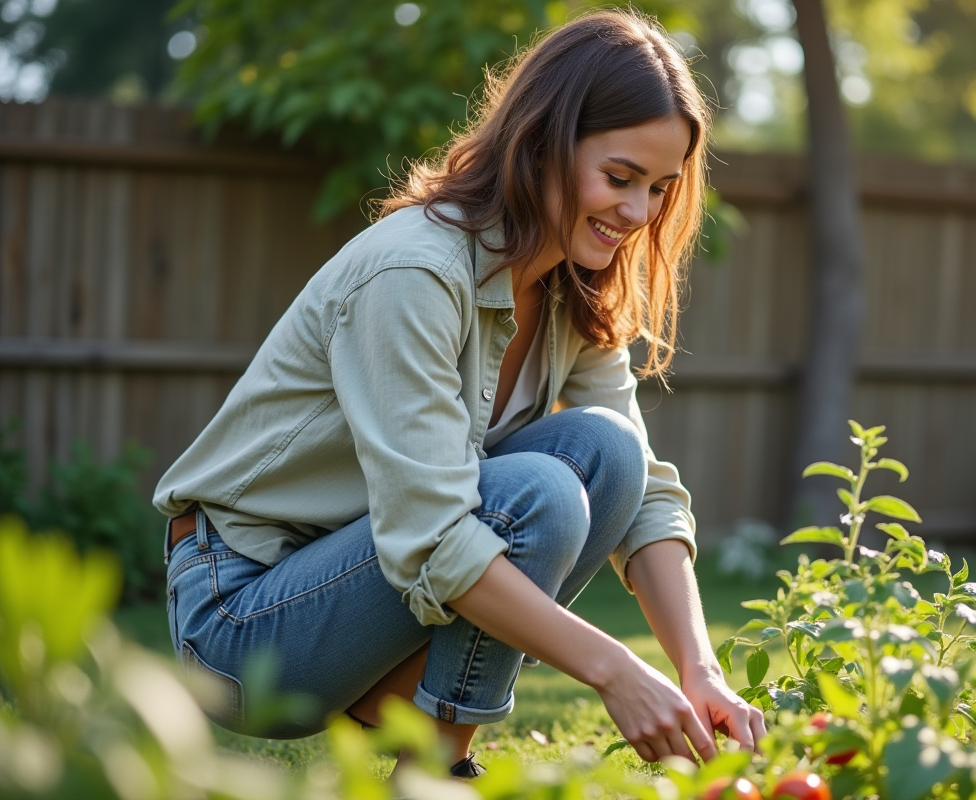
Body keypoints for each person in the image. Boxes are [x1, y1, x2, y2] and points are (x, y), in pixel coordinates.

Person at [154, 8, 765, 776]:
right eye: (619, 178)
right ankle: (436, 771)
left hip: (381, 589)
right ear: (543, 144)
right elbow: (435, 535)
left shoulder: (570, 286)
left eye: (658, 188)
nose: (638, 214)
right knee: (537, 491)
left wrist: (697, 669)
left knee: (608, 454)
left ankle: (428, 745)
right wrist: (615, 670)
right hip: (245, 627)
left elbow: (642, 493)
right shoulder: (414, 273)